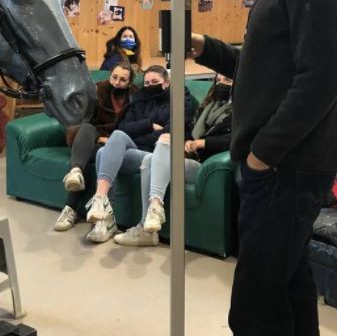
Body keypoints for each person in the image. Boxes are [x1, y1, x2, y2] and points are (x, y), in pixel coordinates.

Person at [191, 0, 337, 336]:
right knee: (289, 287)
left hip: (285, 169)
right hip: (279, 169)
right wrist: (206, 49)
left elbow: (318, 82)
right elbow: (265, 71)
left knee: (255, 305)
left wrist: (262, 155)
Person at [114, 74, 233, 247]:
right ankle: (148, 227)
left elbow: (236, 139)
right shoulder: (207, 106)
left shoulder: (241, 110)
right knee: (150, 158)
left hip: (204, 163)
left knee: (162, 141)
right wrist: (186, 142)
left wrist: (204, 142)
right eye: (218, 80)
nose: (221, 84)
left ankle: (154, 208)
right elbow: (188, 132)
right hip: (188, 156)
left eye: (227, 80)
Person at [83, 65, 194, 244]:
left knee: (109, 150)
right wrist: (149, 124)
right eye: (147, 82)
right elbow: (123, 128)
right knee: (107, 148)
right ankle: (103, 207)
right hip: (136, 150)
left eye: (155, 82)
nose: (150, 86)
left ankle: (110, 215)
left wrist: (141, 131)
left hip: (158, 153)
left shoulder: (182, 99)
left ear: (167, 83)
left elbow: (170, 132)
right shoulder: (139, 99)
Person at [54, 62, 139, 232]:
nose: (117, 82)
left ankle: (70, 208)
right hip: (92, 137)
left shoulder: (135, 96)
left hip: (115, 144)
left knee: (92, 155)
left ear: (129, 83)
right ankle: (75, 172)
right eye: (114, 77)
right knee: (86, 129)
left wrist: (112, 140)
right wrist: (99, 138)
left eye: (122, 80)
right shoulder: (97, 91)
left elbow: (134, 125)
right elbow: (82, 120)